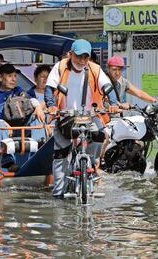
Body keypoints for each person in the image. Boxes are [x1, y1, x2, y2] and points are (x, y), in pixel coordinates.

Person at [44, 39, 119, 199]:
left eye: (86, 57)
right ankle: (58, 193)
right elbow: (49, 89)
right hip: (66, 116)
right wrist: (51, 105)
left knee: (100, 135)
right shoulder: (60, 67)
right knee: (61, 154)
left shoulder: (95, 69)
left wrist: (113, 103)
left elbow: (108, 87)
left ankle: (90, 166)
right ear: (71, 54)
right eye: (78, 57)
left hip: (90, 115)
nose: (82, 61)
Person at [0, 63, 45, 171]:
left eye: (15, 76)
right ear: (0, 77)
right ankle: (8, 162)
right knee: (0, 125)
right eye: (10, 76)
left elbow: (31, 100)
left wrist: (38, 108)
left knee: (37, 116)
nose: (14, 79)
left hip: (17, 127)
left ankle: (39, 152)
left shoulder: (17, 90)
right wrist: (3, 123)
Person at [27, 64, 52, 141]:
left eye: (48, 77)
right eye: (42, 76)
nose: (45, 79)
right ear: (35, 78)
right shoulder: (28, 95)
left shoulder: (55, 94)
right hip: (36, 128)